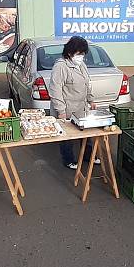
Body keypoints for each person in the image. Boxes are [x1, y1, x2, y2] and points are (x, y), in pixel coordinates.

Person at [48, 36, 98, 169]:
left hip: (81, 107)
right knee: (67, 136)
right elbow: (55, 89)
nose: (81, 57)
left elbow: (87, 84)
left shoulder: (81, 65)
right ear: (70, 53)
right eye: (79, 54)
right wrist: (61, 111)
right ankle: (68, 160)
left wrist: (91, 99)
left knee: (86, 133)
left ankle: (88, 156)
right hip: (66, 108)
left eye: (83, 54)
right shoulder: (61, 66)